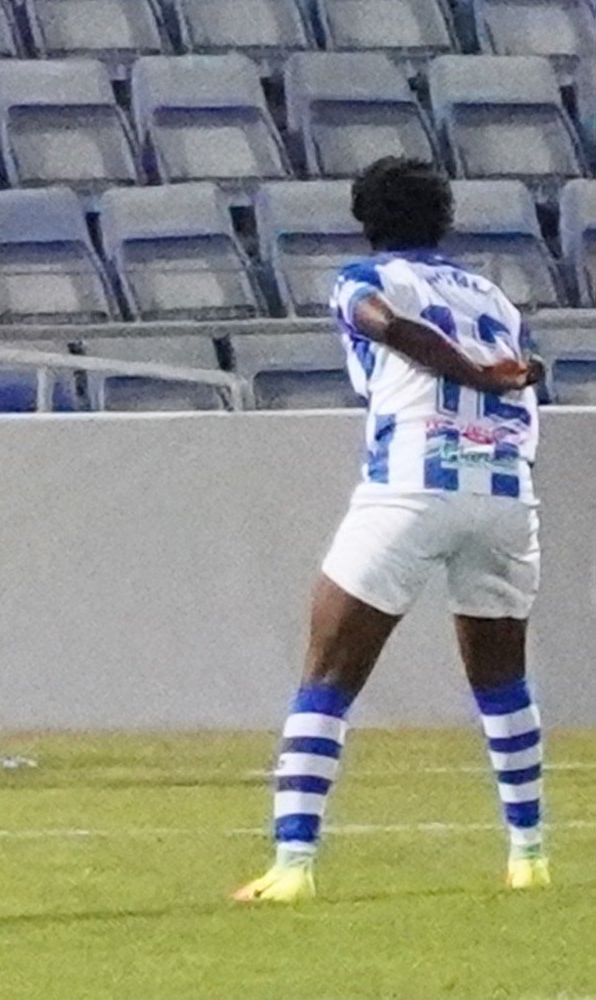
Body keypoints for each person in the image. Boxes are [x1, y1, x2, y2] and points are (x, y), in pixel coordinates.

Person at [234, 158, 549, 903]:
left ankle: (293, 865)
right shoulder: (495, 296)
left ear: (365, 221)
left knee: (328, 674)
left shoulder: (360, 278)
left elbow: (392, 329)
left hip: (412, 485)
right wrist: (495, 379)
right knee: (501, 680)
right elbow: (523, 383)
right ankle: (530, 854)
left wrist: (472, 375)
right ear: (445, 221)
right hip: (507, 494)